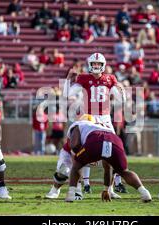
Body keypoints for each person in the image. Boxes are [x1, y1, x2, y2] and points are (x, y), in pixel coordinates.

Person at [67, 52, 126, 195]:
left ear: (103, 66)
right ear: (89, 65)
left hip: (105, 118)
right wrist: (71, 90)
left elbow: (121, 100)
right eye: (94, 64)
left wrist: (121, 92)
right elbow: (70, 93)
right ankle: (82, 185)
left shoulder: (110, 79)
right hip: (89, 117)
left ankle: (110, 187)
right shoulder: (84, 78)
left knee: (112, 152)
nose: (96, 66)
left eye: (98, 64)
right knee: (83, 150)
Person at [64, 117, 152, 203]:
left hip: (95, 140)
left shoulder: (78, 124)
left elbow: (75, 145)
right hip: (115, 140)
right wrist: (106, 190)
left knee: (76, 166)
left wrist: (81, 158)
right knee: (124, 171)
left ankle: (71, 194)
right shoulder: (101, 125)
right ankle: (145, 192)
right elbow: (108, 168)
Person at [45, 114, 121, 200]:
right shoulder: (77, 132)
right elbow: (76, 161)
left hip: (88, 154)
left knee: (112, 164)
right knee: (64, 171)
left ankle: (110, 190)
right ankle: (55, 190)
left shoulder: (97, 133)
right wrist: (77, 190)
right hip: (70, 154)